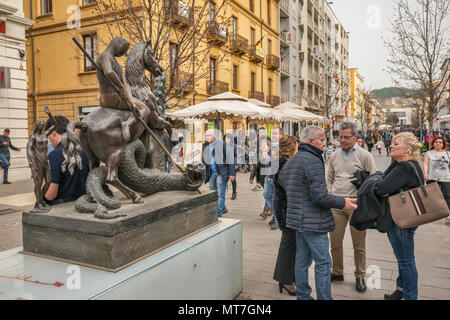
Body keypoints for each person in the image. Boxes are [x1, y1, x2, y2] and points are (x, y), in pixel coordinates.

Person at [283, 125, 358, 300]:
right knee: (324, 262)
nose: (325, 143)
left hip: (297, 220)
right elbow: (320, 197)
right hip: (312, 221)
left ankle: (303, 296)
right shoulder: (313, 160)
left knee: (301, 260)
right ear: (311, 141)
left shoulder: (293, 160)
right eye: (322, 139)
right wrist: (343, 202)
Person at [326, 122, 377, 293]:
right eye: (340, 137)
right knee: (335, 242)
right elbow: (329, 178)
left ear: (355, 137)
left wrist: (365, 199)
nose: (342, 140)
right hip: (337, 204)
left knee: (359, 244)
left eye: (346, 137)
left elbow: (374, 180)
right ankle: (337, 271)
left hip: (356, 205)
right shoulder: (334, 155)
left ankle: (360, 275)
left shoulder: (365, 156)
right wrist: (330, 196)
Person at [374, 132, 424, 300]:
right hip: (409, 216)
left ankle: (410, 296)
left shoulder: (404, 166)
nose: (391, 145)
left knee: (406, 261)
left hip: (401, 219)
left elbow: (381, 187)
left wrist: (383, 189)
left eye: (396, 143)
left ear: (408, 149)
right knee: (403, 258)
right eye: (392, 143)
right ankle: (401, 290)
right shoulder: (410, 163)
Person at [273, 135, 299, 296]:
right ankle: (286, 280)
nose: (298, 150)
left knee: (289, 245)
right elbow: (291, 189)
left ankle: (286, 278)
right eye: (296, 148)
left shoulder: (283, 164)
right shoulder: (284, 166)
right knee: (289, 245)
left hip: (285, 209)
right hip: (286, 211)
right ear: (291, 149)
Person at [44, 116, 90, 204]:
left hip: (62, 207)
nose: (48, 139)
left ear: (53, 133)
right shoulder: (84, 152)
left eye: (48, 135)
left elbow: (51, 195)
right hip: (83, 203)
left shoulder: (54, 155)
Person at [203, 129, 236, 217]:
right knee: (212, 192)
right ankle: (223, 208)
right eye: (206, 136)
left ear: (214, 136)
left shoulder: (222, 144)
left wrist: (232, 173)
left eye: (209, 135)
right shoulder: (205, 146)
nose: (207, 137)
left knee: (220, 194)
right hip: (212, 173)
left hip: (222, 172)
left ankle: (217, 214)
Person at [27, 120, 54, 212]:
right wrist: (31, 163)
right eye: (41, 125)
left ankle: (40, 200)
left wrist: (49, 115)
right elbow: (29, 149)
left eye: (43, 125)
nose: (43, 127)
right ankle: (39, 204)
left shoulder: (45, 134)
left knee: (49, 182)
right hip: (37, 162)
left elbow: (54, 124)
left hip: (46, 161)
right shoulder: (33, 137)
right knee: (38, 184)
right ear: (37, 125)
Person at [423, 136, 450, 225]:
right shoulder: (429, 153)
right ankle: (432, 213)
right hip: (432, 177)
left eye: (440, 142)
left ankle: (448, 216)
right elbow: (425, 164)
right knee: (432, 196)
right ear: (433, 143)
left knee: (447, 196)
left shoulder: (448, 154)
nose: (438, 144)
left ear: (443, 144)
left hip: (446, 177)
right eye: (436, 142)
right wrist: (425, 173)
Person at [225, 133, 238, 200]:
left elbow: (236, 156)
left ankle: (234, 193)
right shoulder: (223, 146)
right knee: (224, 179)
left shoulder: (234, 146)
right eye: (226, 138)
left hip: (232, 165)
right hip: (225, 166)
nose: (227, 140)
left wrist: (234, 163)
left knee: (233, 179)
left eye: (228, 138)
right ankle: (224, 192)